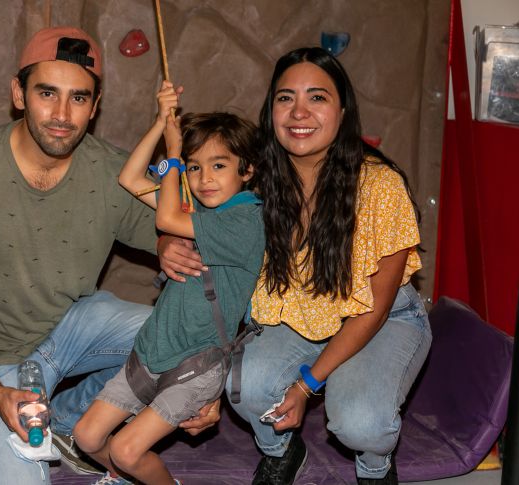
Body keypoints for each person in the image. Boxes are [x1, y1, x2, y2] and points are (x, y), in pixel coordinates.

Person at [0, 26, 210, 485]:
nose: (63, 114)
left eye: (79, 98)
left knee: (190, 340)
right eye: (47, 92)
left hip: (70, 330)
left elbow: (184, 232)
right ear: (19, 93)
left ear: (96, 104)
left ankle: (65, 418)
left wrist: (167, 239)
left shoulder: (114, 170)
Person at [158, 46, 432, 485]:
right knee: (243, 388)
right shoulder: (254, 178)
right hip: (298, 313)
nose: (298, 112)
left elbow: (374, 309)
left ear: (342, 112)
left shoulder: (381, 186)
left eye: (317, 98)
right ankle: (282, 452)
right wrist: (166, 242)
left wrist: (306, 386)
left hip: (379, 320)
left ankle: (376, 466)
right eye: (285, 98)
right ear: (271, 111)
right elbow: (183, 210)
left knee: (359, 422)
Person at [72, 81, 265, 485]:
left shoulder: (245, 220)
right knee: (87, 436)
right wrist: (162, 124)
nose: (203, 177)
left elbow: (165, 220)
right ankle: (126, 479)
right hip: (153, 351)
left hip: (196, 365)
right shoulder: (198, 208)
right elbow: (129, 178)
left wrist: (175, 154)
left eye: (219, 165)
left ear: (247, 170)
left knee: (126, 449)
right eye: (194, 167)